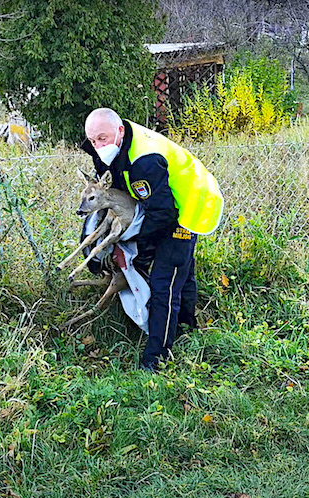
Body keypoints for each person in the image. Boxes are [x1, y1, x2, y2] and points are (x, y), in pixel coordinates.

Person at [81, 108, 223, 371]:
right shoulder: (108, 150)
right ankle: (186, 328)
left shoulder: (145, 159)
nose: (98, 146)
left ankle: (156, 356)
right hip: (163, 204)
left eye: (102, 138)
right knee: (182, 272)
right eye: (92, 140)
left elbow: (163, 212)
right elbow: (112, 194)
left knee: (165, 282)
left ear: (119, 130)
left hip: (190, 205)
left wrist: (144, 246)